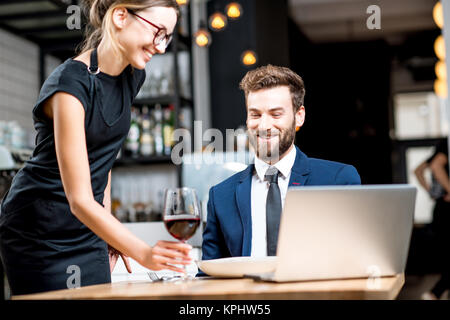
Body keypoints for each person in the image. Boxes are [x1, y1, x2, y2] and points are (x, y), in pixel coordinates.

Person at [0, 0, 192, 296]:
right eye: (158, 32)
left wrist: (107, 228)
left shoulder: (132, 76)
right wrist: (144, 253)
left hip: (86, 229)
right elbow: (78, 200)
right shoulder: (70, 85)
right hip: (39, 231)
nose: (162, 46)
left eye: (166, 37)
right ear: (120, 16)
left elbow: (104, 157)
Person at [201, 65, 361, 262]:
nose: (264, 126)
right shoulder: (220, 196)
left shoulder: (337, 181)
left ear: (299, 116)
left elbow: (354, 261)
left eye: (276, 114)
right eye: (255, 114)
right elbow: (208, 276)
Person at [416, 140, 450, 300]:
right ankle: (435, 292)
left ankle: (437, 292)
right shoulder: (444, 151)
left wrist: (431, 191)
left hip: (439, 208)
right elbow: (437, 167)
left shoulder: (436, 153)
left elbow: (417, 171)